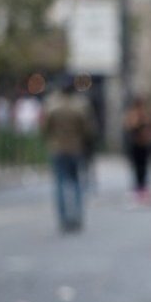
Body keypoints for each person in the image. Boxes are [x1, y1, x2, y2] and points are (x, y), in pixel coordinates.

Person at [42, 79, 96, 232]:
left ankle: (63, 218)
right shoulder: (80, 106)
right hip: (75, 148)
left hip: (57, 148)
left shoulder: (52, 105)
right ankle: (77, 216)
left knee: (60, 184)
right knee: (77, 182)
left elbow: (45, 128)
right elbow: (88, 130)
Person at [123, 95, 151, 202]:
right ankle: (138, 188)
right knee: (137, 167)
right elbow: (129, 126)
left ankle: (143, 187)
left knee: (144, 167)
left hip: (144, 144)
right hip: (135, 144)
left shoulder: (146, 115)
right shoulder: (133, 114)